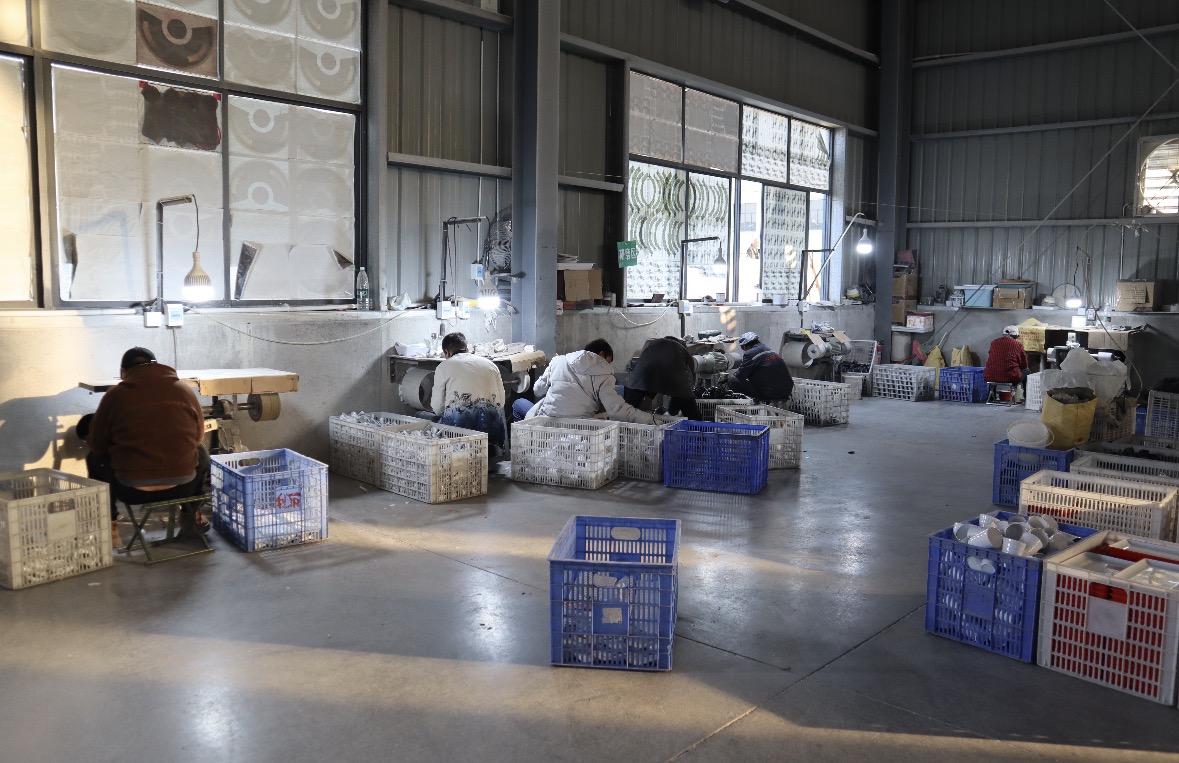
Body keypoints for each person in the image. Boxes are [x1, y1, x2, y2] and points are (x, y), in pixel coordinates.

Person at [80, 347, 209, 539]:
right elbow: (198, 438)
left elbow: (98, 445)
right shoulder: (184, 390)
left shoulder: (115, 395)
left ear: (123, 372)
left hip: (131, 491)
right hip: (184, 487)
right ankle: (191, 516)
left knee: (94, 458)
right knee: (201, 453)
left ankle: (109, 530)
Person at [515, 339, 659, 423]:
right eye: (608, 361)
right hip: (580, 429)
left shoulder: (558, 361)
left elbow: (537, 390)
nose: (606, 365)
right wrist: (651, 420)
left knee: (518, 403)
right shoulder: (605, 374)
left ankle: (515, 448)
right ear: (601, 355)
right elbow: (618, 411)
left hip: (547, 424)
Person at [431, 332, 506, 448]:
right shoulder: (490, 365)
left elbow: (437, 408)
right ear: (466, 347)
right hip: (492, 430)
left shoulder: (443, 367)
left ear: (447, 352)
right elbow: (501, 402)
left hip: (458, 433)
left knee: (428, 419)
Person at [623, 336, 703, 420]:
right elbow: (684, 389)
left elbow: (638, 366)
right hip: (673, 374)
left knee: (630, 407)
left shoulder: (653, 344)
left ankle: (623, 425)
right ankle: (698, 427)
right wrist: (671, 412)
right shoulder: (683, 351)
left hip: (643, 372)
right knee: (689, 408)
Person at [727, 332, 794, 402]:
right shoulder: (769, 350)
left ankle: (746, 404)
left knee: (733, 380)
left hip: (769, 394)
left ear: (745, 346)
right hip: (786, 392)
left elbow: (739, 375)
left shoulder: (749, 354)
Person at [984, 325, 1030, 399]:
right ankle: (1027, 397)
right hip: (1010, 377)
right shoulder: (1018, 345)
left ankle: (992, 397)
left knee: (994, 370)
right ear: (1016, 336)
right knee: (1027, 371)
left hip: (990, 376)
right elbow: (1024, 364)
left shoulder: (994, 342)